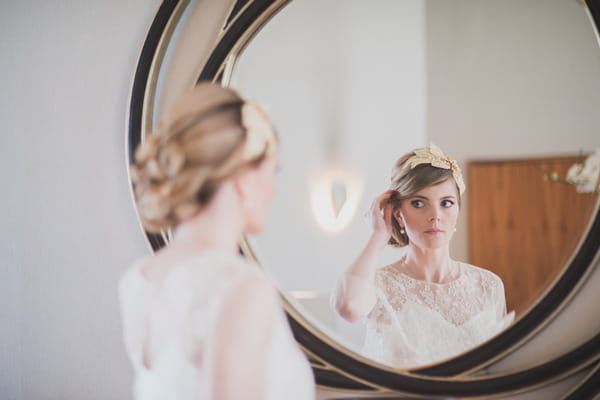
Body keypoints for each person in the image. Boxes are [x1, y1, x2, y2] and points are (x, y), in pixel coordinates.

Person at [119, 83, 315, 399]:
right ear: (243, 178)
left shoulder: (140, 280)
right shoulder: (242, 286)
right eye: (272, 170)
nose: (274, 188)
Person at [331, 144, 514, 369]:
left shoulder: (488, 285)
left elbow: (501, 369)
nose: (435, 216)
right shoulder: (379, 285)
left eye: (446, 203)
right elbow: (347, 306)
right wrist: (379, 235)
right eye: (419, 203)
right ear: (398, 214)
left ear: (458, 209)